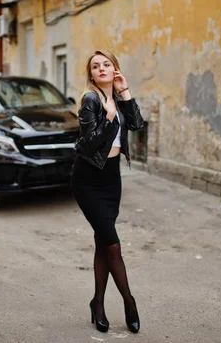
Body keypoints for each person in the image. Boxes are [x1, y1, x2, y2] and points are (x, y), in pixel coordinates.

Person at [71, 50, 144, 334]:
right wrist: (109, 118)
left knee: (103, 243)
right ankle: (130, 302)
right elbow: (89, 143)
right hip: (87, 180)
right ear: (91, 75)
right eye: (96, 66)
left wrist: (124, 92)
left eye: (107, 64)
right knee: (113, 245)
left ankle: (97, 304)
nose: (102, 68)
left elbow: (137, 125)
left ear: (115, 69)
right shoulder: (90, 100)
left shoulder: (116, 96)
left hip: (112, 180)